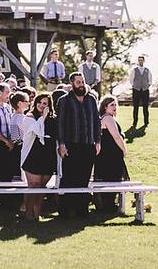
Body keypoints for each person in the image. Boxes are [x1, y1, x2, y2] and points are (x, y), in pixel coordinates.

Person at [56, 72, 102, 217]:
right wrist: (61, 144)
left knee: (84, 177)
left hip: (88, 144)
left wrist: (98, 141)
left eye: (82, 82)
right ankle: (65, 210)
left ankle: (82, 209)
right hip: (71, 145)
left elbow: (96, 121)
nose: (81, 85)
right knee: (69, 177)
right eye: (78, 82)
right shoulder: (64, 100)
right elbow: (60, 124)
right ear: (72, 84)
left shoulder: (91, 99)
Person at [21, 93, 58, 221]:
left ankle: (37, 212)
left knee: (42, 186)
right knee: (34, 184)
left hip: (48, 153)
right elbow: (36, 131)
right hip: (33, 153)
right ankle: (28, 212)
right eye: (40, 103)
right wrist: (43, 117)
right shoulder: (30, 117)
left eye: (45, 103)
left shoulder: (53, 118)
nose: (42, 106)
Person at [92, 95, 129, 212]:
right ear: (104, 107)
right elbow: (117, 137)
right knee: (112, 178)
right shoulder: (108, 119)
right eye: (111, 105)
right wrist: (124, 149)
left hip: (106, 155)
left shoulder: (104, 118)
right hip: (110, 155)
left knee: (107, 178)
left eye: (115, 105)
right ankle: (108, 205)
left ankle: (107, 204)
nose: (114, 107)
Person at [8, 91, 31, 177]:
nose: (29, 103)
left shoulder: (13, 115)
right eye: (26, 101)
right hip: (20, 146)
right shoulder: (21, 117)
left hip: (15, 146)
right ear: (20, 103)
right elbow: (28, 132)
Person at [128, 55, 152, 129]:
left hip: (145, 90)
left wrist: (147, 86)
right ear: (138, 61)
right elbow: (131, 80)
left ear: (144, 61)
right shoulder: (134, 70)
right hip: (136, 90)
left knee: (145, 107)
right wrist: (135, 86)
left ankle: (146, 122)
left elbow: (150, 79)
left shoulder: (147, 70)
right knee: (135, 107)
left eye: (142, 60)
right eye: (139, 60)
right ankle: (134, 122)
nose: (140, 61)